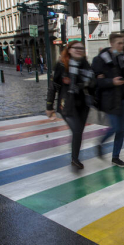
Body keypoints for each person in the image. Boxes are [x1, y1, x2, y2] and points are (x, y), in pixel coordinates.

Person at [91, 33, 124, 168]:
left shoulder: (122, 59)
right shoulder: (100, 60)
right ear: (111, 43)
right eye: (119, 43)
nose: (122, 45)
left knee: (121, 130)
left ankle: (116, 157)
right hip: (109, 100)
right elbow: (96, 82)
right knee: (115, 128)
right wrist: (111, 81)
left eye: (123, 43)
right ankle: (100, 143)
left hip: (122, 100)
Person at [46, 41, 95, 169]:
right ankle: (75, 159)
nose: (79, 50)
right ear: (69, 49)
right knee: (77, 131)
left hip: (83, 105)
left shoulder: (85, 65)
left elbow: (92, 83)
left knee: (78, 132)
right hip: (67, 105)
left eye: (81, 48)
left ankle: (75, 157)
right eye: (76, 48)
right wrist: (49, 106)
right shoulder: (62, 65)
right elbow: (53, 87)